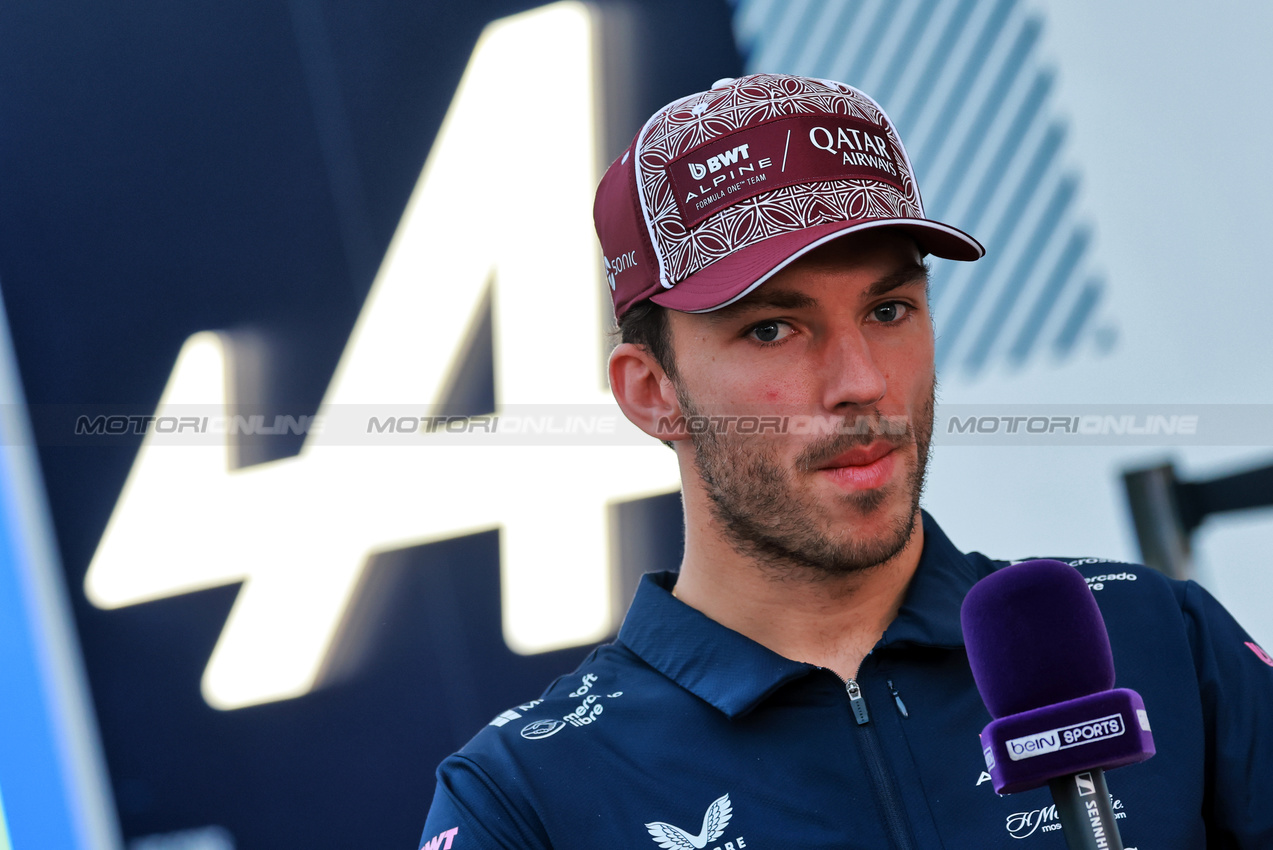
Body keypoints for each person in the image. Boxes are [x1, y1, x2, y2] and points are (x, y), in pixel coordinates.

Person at [417, 74, 1273, 849]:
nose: (861, 382)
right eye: (771, 329)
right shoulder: (524, 797)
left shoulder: (1157, 637)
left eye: (890, 309)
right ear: (651, 392)